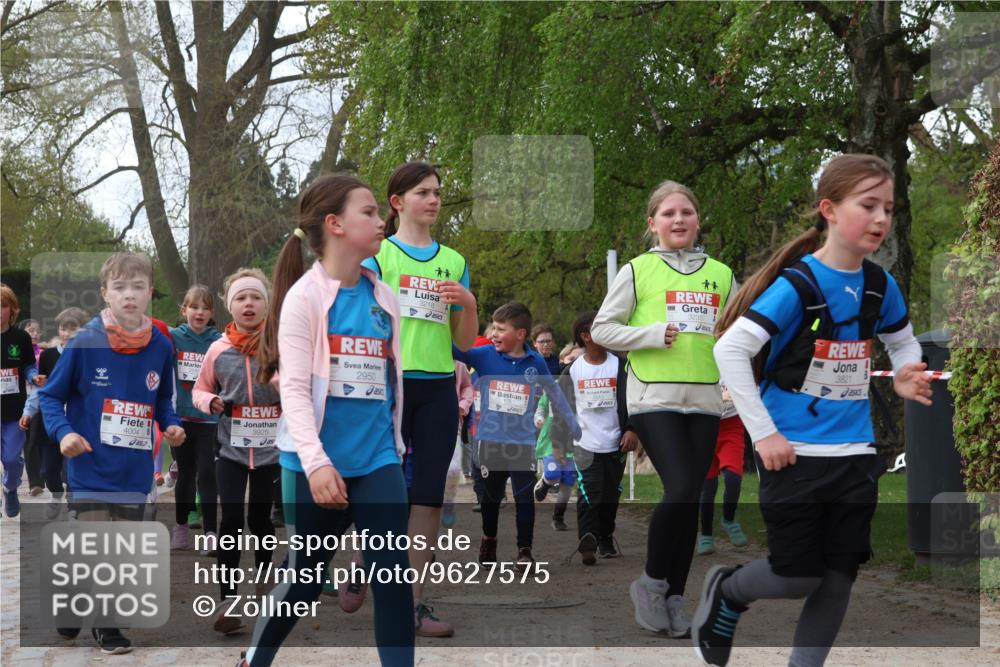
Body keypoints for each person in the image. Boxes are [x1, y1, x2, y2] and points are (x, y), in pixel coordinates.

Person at [693, 154, 933, 667]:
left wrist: (907, 373)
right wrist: (764, 435)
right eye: (867, 205)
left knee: (839, 574)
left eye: (888, 208)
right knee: (798, 574)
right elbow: (729, 351)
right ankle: (730, 590)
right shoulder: (798, 286)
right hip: (792, 454)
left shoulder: (879, 285)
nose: (881, 219)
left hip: (855, 456)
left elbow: (904, 342)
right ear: (829, 209)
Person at [238, 174, 414, 667]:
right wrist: (316, 464)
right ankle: (253, 661)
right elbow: (292, 390)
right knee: (305, 580)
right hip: (313, 465)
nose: (382, 220)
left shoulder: (385, 299)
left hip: (377, 461)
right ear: (335, 225)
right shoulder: (304, 298)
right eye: (370, 212)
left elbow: (390, 380)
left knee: (393, 578)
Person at [591, 180, 735, 637]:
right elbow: (603, 329)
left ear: (697, 220)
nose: (679, 220)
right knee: (679, 489)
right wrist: (650, 335)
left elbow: (736, 337)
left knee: (690, 497)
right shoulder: (636, 271)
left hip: (708, 400)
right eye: (669, 213)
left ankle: (675, 597)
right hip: (654, 397)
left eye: (686, 213)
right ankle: (651, 583)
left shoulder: (722, 274)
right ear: (652, 223)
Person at [38, 252, 186, 653]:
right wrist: (64, 432)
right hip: (90, 465)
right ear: (105, 293)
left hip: (134, 470)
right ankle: (108, 626)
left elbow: (163, 401)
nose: (130, 295)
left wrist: (171, 424)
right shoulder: (86, 341)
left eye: (138, 287)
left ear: (150, 293)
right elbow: (51, 397)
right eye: (120, 287)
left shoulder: (160, 345)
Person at [362, 161, 478, 637]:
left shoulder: (454, 260)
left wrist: (467, 304)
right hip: (387, 384)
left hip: (436, 389)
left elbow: (466, 342)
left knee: (428, 497)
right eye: (422, 193)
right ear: (397, 202)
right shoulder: (379, 256)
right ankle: (365, 565)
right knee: (380, 493)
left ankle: (412, 605)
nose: (433, 200)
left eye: (437, 193)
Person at [453, 302, 581, 571]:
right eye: (494, 328)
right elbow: (453, 349)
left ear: (521, 334)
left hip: (522, 444)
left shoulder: (534, 362)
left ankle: (525, 551)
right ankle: (489, 538)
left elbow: (555, 394)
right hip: (489, 442)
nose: (494, 334)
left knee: (524, 498)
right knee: (490, 499)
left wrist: (572, 423)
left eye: (501, 329)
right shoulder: (484, 355)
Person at [192, 268, 280, 635]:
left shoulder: (279, 344)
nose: (249, 304)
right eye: (241, 298)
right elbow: (198, 389)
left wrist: (279, 382)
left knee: (261, 522)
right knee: (230, 520)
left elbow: (299, 387)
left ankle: (263, 592)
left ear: (267, 304)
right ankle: (228, 600)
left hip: (271, 450)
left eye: (256, 297)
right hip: (229, 448)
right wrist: (210, 401)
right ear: (230, 307)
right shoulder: (218, 349)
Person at [550, 311, 638, 564]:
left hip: (616, 443)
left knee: (610, 494)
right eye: (600, 328)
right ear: (585, 336)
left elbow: (634, 400)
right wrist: (559, 441)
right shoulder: (571, 371)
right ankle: (587, 538)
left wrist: (632, 429)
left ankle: (605, 537)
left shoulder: (621, 366)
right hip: (584, 443)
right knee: (589, 492)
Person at [19, 307, 88, 519]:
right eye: (63, 329)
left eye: (73, 329)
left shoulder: (87, 356)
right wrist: (28, 411)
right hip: (50, 421)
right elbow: (42, 388)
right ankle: (56, 494)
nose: (67, 334)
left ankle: (73, 505)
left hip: (76, 421)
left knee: (72, 468)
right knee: (49, 470)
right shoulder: (48, 356)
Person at [169, 285, 222, 553]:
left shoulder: (219, 340)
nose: (199, 312)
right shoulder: (173, 337)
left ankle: (211, 533)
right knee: (186, 475)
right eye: (194, 307)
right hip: (182, 419)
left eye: (204, 308)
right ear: (184, 310)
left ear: (212, 312)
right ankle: (180, 528)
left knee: (208, 475)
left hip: (210, 420)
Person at [696, 383, 749, 555]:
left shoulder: (734, 358)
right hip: (703, 426)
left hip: (731, 426)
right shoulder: (700, 363)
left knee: (733, 477)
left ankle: (728, 519)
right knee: (707, 486)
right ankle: (706, 535)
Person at [1, 284, 39, 518]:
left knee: (11, 458)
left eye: (3, 306)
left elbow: (28, 365)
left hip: (14, 410)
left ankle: (11, 487)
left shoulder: (20, 337)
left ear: (12, 310)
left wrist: (33, 376)